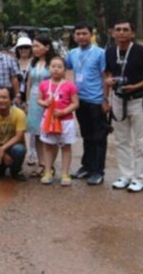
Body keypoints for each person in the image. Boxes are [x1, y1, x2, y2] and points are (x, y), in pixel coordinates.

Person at [104, 20, 143, 193]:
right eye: (118, 30)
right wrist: (108, 82)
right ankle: (125, 175)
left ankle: (139, 178)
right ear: (113, 33)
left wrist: (138, 86)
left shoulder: (142, 51)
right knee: (121, 140)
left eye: (125, 30)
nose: (121, 33)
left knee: (141, 141)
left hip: (138, 99)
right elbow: (107, 72)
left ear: (132, 33)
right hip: (118, 99)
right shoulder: (110, 51)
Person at [64, 22, 108, 186]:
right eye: (78, 34)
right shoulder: (72, 54)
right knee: (86, 135)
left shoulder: (100, 53)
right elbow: (62, 68)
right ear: (74, 36)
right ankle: (87, 166)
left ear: (91, 35)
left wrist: (105, 98)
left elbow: (105, 76)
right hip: (80, 101)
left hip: (96, 100)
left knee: (99, 137)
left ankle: (98, 171)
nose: (81, 37)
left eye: (84, 33)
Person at [37, 56, 79, 187]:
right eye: (53, 66)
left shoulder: (69, 86)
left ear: (65, 70)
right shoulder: (44, 84)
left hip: (65, 121)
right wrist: (44, 102)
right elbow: (39, 100)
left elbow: (75, 103)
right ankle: (48, 171)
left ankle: (65, 173)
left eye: (59, 67)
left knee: (66, 147)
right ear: (49, 68)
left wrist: (64, 111)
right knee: (48, 146)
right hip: (48, 120)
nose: (56, 69)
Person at [25, 36, 54, 174]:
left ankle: (50, 164)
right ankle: (42, 163)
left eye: (37, 46)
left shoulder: (53, 63)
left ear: (47, 47)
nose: (34, 49)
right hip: (34, 100)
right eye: (33, 46)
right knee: (36, 132)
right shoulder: (33, 62)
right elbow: (29, 82)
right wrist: (27, 101)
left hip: (48, 99)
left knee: (48, 132)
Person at [14, 36, 33, 104]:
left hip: (32, 97)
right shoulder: (13, 63)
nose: (23, 50)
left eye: (26, 47)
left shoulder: (35, 63)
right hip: (16, 98)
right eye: (21, 48)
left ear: (30, 49)